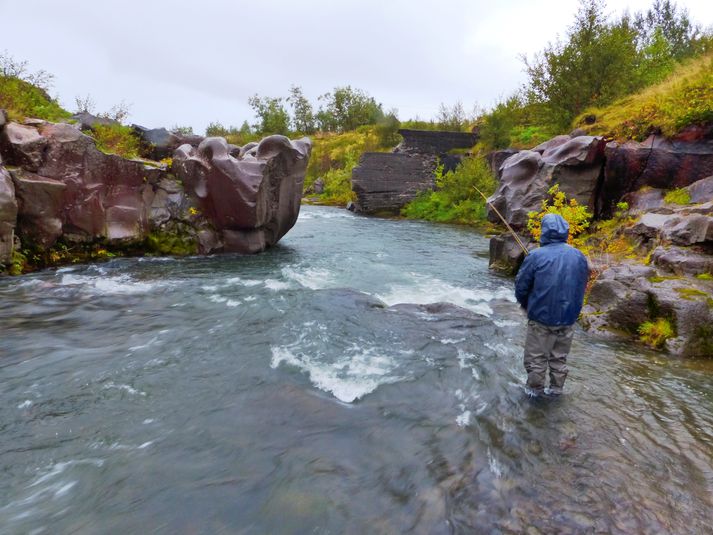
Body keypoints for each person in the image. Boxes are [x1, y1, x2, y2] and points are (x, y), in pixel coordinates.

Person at [514, 213, 589, 397]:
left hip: (541, 317)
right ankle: (557, 392)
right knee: (559, 359)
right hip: (568, 318)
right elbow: (581, 285)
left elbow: (521, 287)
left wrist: (526, 305)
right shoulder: (579, 255)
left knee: (536, 360)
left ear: (544, 231)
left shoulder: (535, 255)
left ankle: (535, 396)